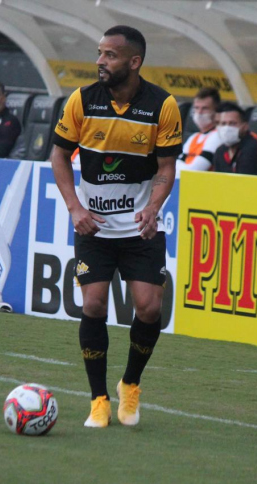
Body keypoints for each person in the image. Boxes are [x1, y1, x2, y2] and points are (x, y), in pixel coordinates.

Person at [50, 25, 182, 428]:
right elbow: (59, 157)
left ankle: (131, 384)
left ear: (134, 62)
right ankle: (98, 399)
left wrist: (153, 207)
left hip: (141, 228)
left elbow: (166, 167)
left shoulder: (163, 105)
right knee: (93, 304)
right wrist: (75, 209)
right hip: (94, 228)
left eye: (109, 55)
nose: (99, 62)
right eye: (99, 53)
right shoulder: (82, 100)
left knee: (149, 307)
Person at [176, 87, 222, 172]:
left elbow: (195, 170)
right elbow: (175, 168)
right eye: (196, 108)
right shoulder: (194, 137)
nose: (199, 112)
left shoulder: (218, 135)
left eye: (205, 108)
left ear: (216, 111)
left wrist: (182, 169)